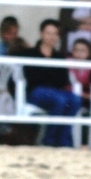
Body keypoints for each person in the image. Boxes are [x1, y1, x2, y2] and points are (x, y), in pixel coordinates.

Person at [21, 19, 82, 148]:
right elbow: (32, 78)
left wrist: (47, 77)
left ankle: (63, 140)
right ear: (41, 34)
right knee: (59, 100)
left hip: (55, 92)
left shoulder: (59, 57)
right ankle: (49, 140)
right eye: (48, 33)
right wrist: (50, 78)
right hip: (36, 92)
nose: (52, 37)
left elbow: (63, 80)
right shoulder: (30, 53)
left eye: (55, 34)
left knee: (75, 99)